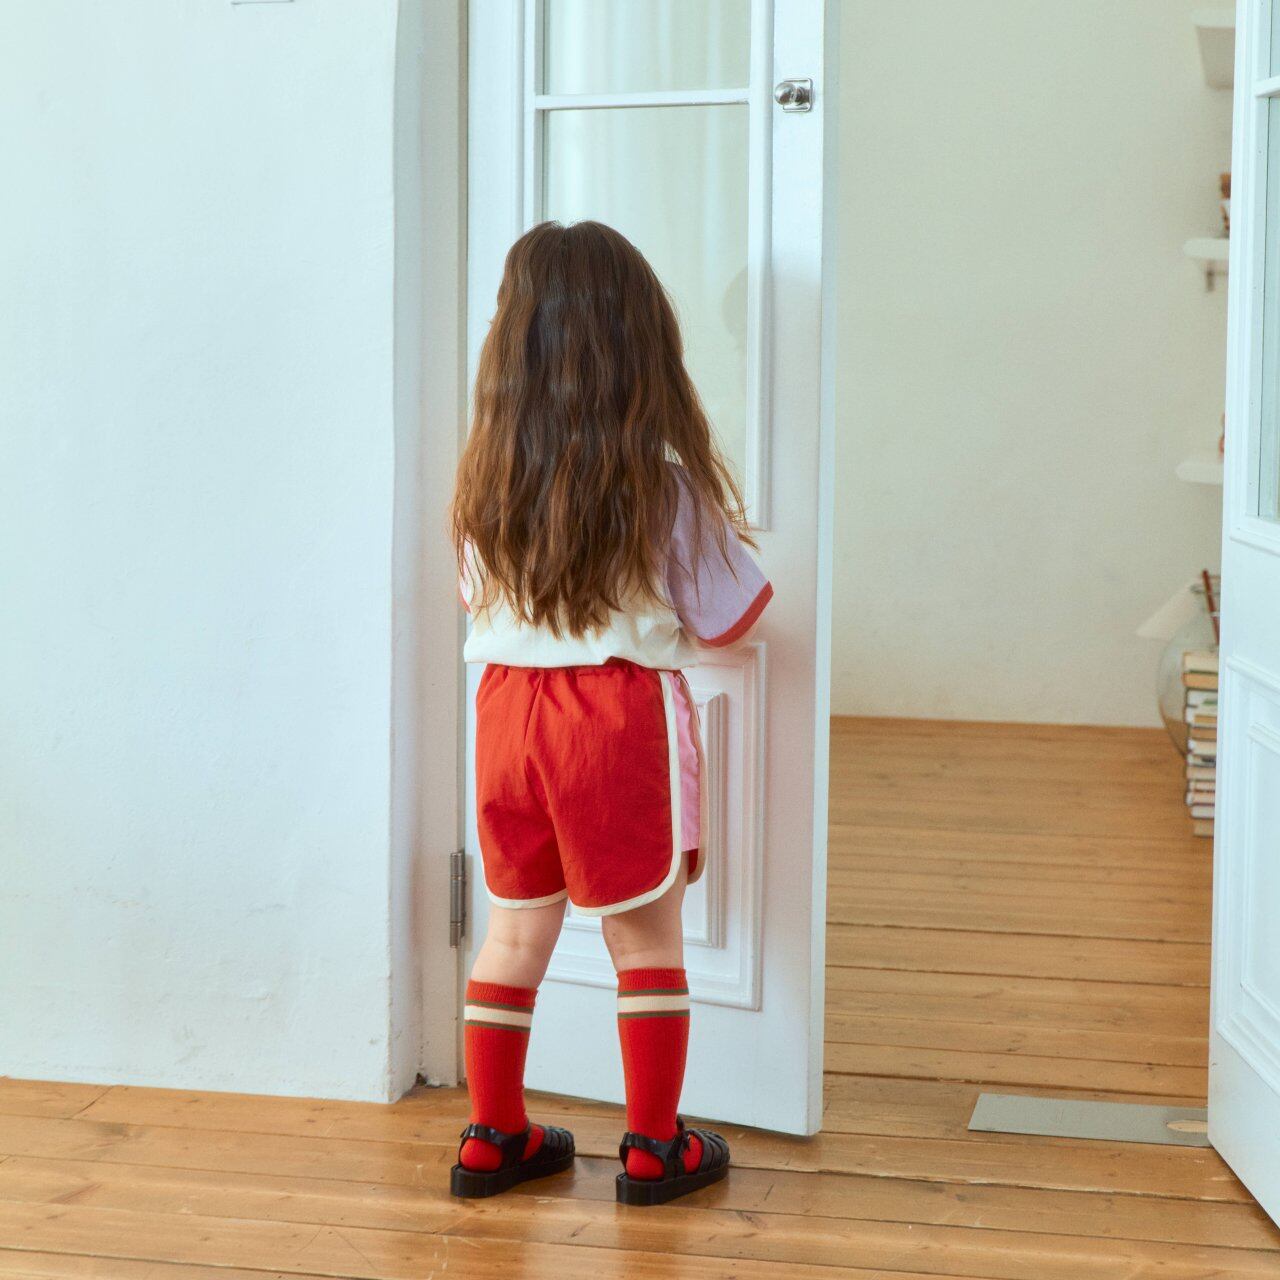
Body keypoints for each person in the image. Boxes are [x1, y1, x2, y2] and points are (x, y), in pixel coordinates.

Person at [448, 220, 772, 1206]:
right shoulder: (659, 490)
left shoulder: (483, 489)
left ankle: (493, 1137)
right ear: (639, 349)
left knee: (511, 935)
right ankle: (653, 1147)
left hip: (506, 716)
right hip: (614, 719)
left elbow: (473, 601)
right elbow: (735, 615)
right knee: (644, 941)